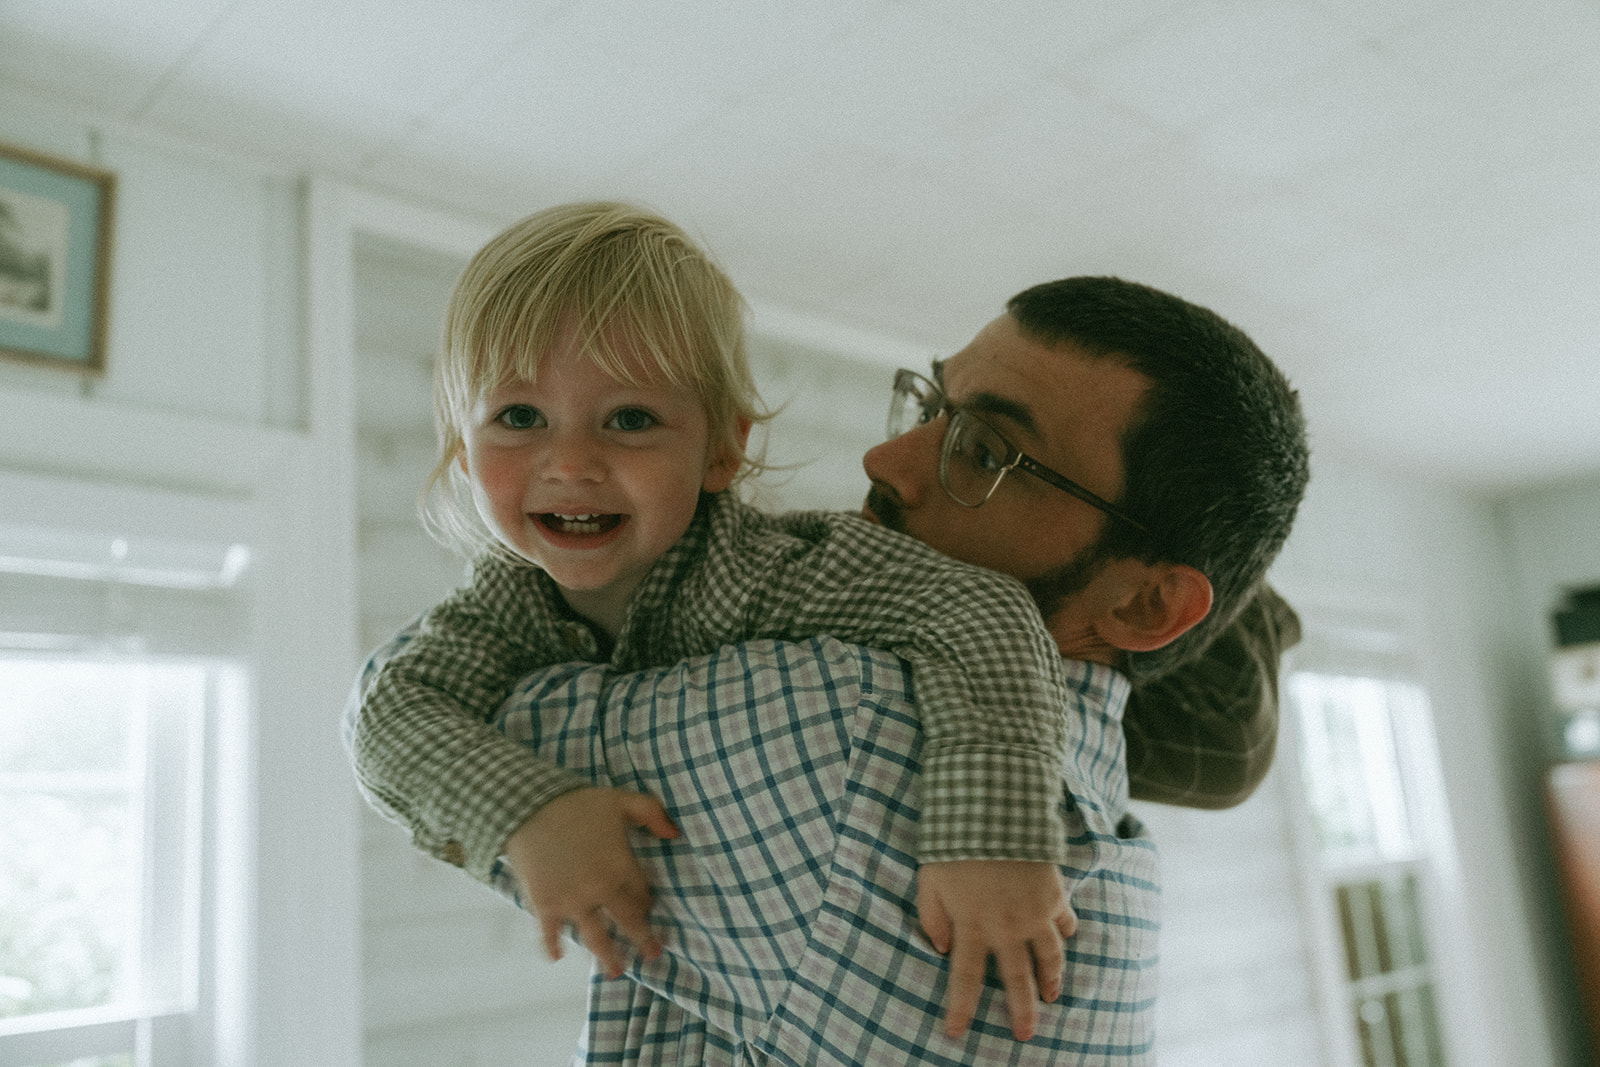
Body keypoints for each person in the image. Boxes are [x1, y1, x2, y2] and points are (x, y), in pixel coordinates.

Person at [349, 202, 1175, 1039]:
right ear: (462, 449)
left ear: (720, 449)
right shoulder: (500, 607)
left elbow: (976, 606)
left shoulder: (782, 571)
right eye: (517, 418)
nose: (569, 463)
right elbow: (385, 712)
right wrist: (525, 809)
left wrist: (991, 832)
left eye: (629, 418)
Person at [463, 274, 1310, 1064]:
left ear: (1144, 606)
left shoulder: (848, 721)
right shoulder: (1111, 831)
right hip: (1116, 678)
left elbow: (459, 700)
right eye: (930, 403)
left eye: (986, 451)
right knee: (1231, 736)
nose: (885, 459)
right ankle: (1238, 598)